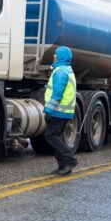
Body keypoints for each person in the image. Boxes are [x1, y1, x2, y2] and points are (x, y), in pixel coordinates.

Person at [43, 46, 78, 176]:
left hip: (59, 111)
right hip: (64, 111)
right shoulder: (66, 70)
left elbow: (58, 94)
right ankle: (63, 166)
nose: (53, 55)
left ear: (61, 57)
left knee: (50, 135)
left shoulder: (60, 72)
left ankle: (69, 160)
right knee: (54, 136)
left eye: (55, 54)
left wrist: (49, 111)